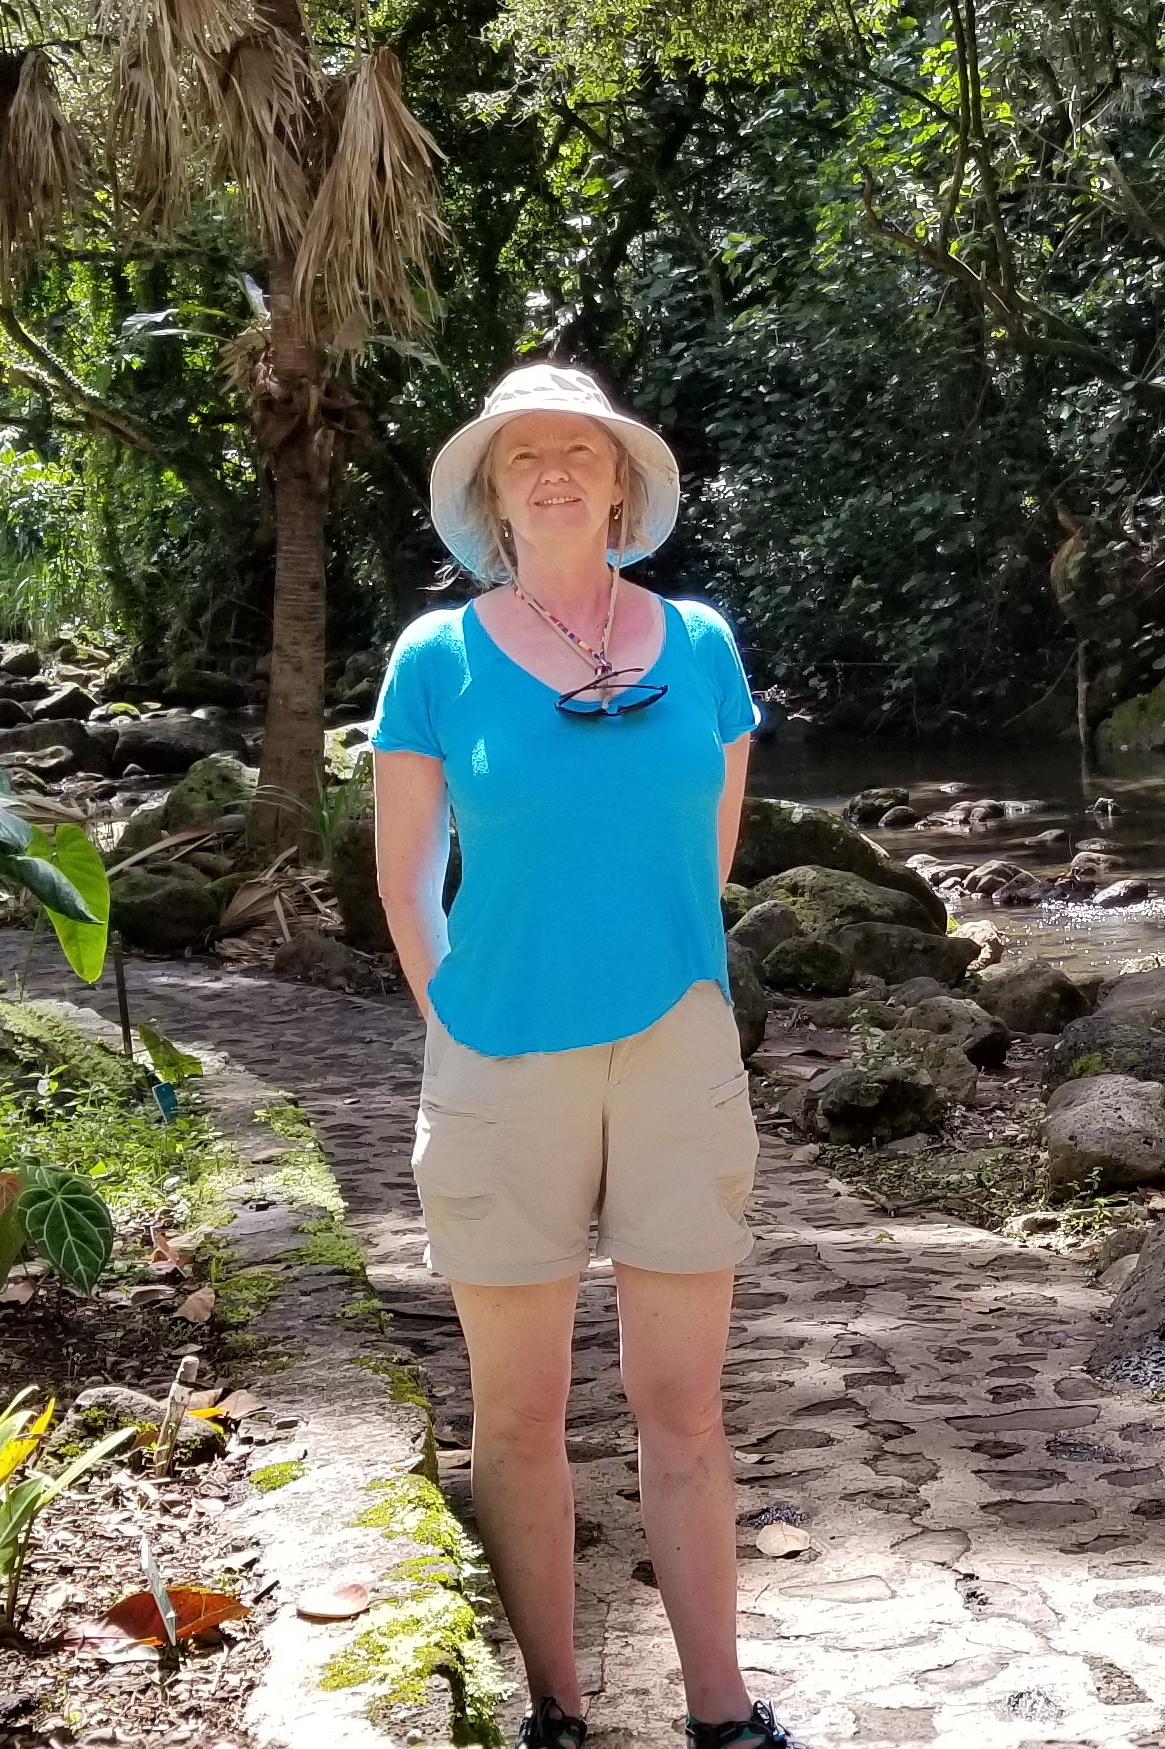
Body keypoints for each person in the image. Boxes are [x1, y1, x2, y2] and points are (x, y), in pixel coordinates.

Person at [365, 361, 792, 1749]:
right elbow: (405, 876)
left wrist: (646, 966)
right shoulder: (436, 659)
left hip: (678, 1047)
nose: (553, 471)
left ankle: (722, 1713)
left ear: (621, 483)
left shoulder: (703, 645)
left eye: (580, 450)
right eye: (523, 454)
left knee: (685, 1409)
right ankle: (555, 1709)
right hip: (498, 1064)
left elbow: (707, 854)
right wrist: (460, 1018)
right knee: (519, 1414)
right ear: (492, 493)